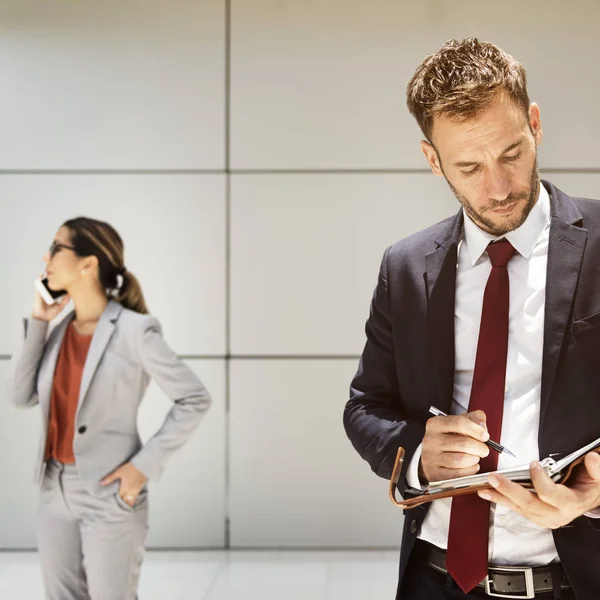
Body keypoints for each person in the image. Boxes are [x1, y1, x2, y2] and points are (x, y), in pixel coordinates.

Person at [343, 38, 600, 599]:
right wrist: (417, 458)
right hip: (435, 580)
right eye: (469, 166)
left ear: (534, 124)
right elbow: (365, 407)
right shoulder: (406, 266)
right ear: (433, 161)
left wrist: (592, 493)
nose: (499, 186)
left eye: (511, 153)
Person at [6, 217, 212, 600]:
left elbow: (195, 398)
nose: (46, 257)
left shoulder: (135, 331)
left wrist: (141, 468)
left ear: (89, 263)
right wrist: (39, 321)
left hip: (109, 491)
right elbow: (19, 396)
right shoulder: (58, 332)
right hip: (54, 489)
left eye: (56, 248)